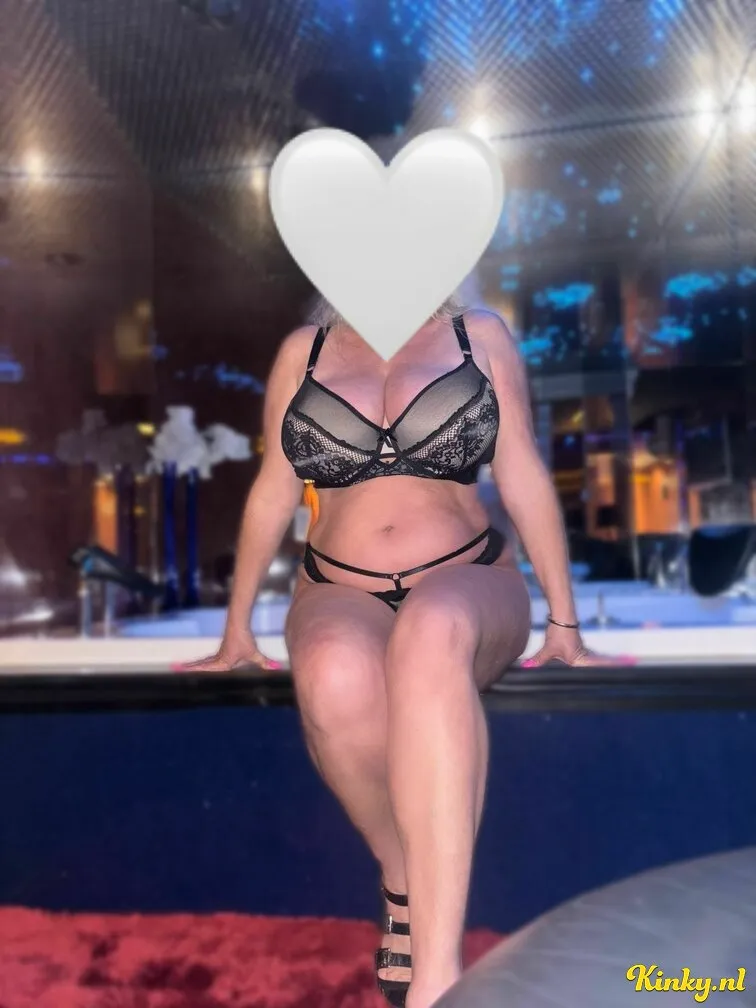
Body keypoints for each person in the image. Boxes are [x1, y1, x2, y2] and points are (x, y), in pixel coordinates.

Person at [181, 295, 632, 1008]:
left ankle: (437, 975)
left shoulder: (476, 334)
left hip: (467, 574)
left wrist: (564, 625)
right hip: (337, 585)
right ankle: (401, 874)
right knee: (331, 667)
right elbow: (272, 490)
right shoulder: (305, 350)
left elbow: (521, 472)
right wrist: (236, 629)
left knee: (433, 629)